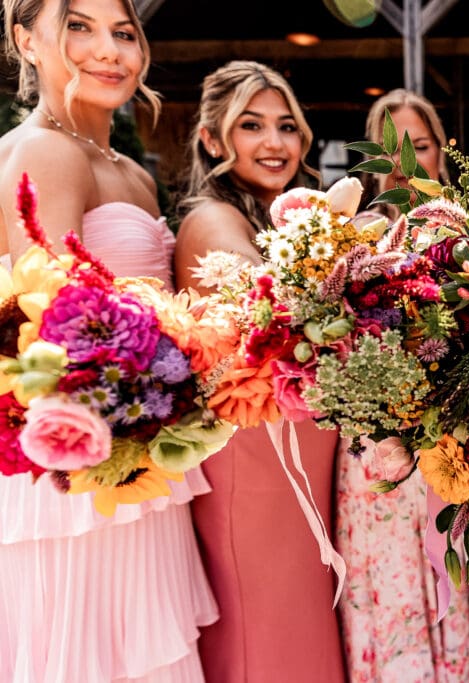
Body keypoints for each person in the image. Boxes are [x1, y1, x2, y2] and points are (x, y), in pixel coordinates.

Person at [0, 1, 217, 680]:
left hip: (142, 455)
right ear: (25, 40)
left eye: (123, 32)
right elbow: (51, 322)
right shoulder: (44, 150)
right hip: (82, 474)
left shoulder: (131, 170)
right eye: (79, 26)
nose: (109, 50)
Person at [173, 60, 344, 683]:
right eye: (251, 125)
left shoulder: (275, 216)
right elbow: (281, 312)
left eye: (286, 126)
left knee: (303, 624)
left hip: (299, 461)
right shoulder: (212, 219)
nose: (275, 142)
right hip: (255, 465)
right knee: (265, 630)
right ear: (213, 140)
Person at [336, 88, 469, 682]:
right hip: (378, 448)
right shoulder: (352, 238)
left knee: (454, 575)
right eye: (388, 148)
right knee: (388, 577)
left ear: (439, 152)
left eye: (417, 145)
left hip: (453, 443)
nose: (402, 162)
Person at [356, 87, 450, 221]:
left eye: (420, 147)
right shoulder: (358, 230)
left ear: (440, 154)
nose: (405, 163)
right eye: (389, 151)